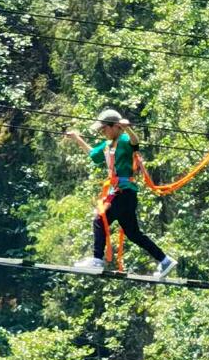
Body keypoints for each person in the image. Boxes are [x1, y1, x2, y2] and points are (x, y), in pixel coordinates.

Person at [63, 109, 177, 279]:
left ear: (115, 127)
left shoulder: (124, 139)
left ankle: (97, 260)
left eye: (104, 129)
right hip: (125, 195)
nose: (103, 132)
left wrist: (128, 128)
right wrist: (77, 138)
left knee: (99, 219)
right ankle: (165, 260)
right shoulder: (108, 145)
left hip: (123, 192)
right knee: (133, 233)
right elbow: (94, 155)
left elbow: (135, 142)